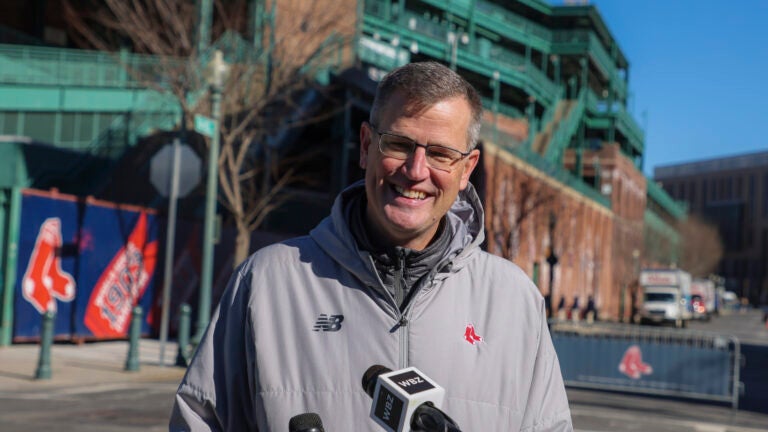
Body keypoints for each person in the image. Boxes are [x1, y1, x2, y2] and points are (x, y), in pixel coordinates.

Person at [170, 61, 572, 431]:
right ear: (366, 146)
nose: (416, 171)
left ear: (466, 169)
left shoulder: (515, 301)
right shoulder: (266, 282)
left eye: (440, 154)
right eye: (398, 144)